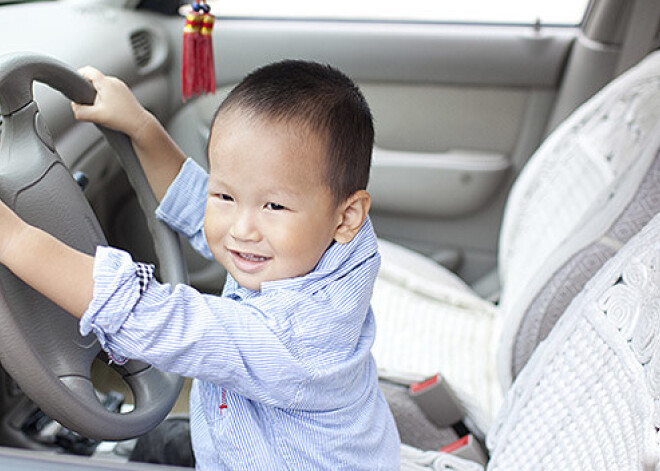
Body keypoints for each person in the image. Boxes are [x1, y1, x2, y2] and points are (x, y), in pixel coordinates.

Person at [0, 59, 400, 469]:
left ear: (347, 216)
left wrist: (14, 239)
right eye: (225, 196)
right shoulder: (319, 245)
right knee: (160, 440)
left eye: (274, 205)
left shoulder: (297, 337)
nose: (242, 229)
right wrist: (141, 126)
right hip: (256, 438)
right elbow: (198, 205)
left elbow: (156, 318)